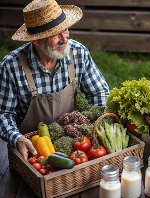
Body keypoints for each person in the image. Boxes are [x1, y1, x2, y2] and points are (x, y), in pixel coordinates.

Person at [0, 0, 109, 160]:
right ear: (36, 40)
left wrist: (90, 129)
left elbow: (99, 94)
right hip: (33, 154)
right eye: (55, 35)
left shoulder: (79, 54)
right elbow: (3, 113)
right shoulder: (11, 67)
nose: (64, 39)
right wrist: (17, 138)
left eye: (65, 30)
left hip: (77, 149)